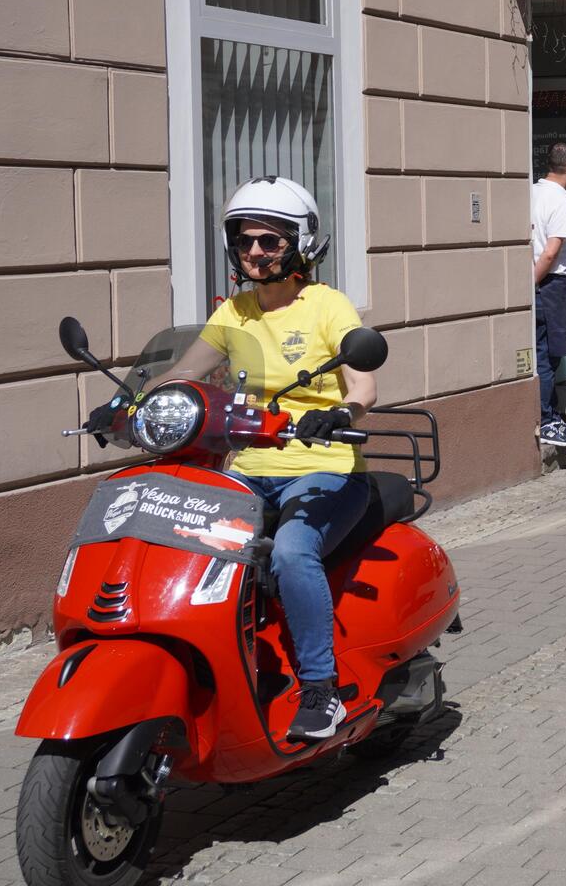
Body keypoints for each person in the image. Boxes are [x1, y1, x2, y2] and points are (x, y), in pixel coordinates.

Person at [89, 176, 379, 741]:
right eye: (245, 240)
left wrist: (341, 414)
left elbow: (363, 384)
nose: (254, 252)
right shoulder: (234, 313)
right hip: (247, 470)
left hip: (321, 471)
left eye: (270, 241)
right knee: (183, 544)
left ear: (301, 245)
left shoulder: (326, 304)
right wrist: (126, 404)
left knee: (294, 555)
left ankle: (321, 691)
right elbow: (181, 374)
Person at [531, 142, 566, 449]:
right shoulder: (560, 199)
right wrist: (534, 282)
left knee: (542, 352)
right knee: (547, 357)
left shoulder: (533, 191)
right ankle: (548, 420)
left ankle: (550, 416)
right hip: (549, 284)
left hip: (539, 280)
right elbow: (552, 250)